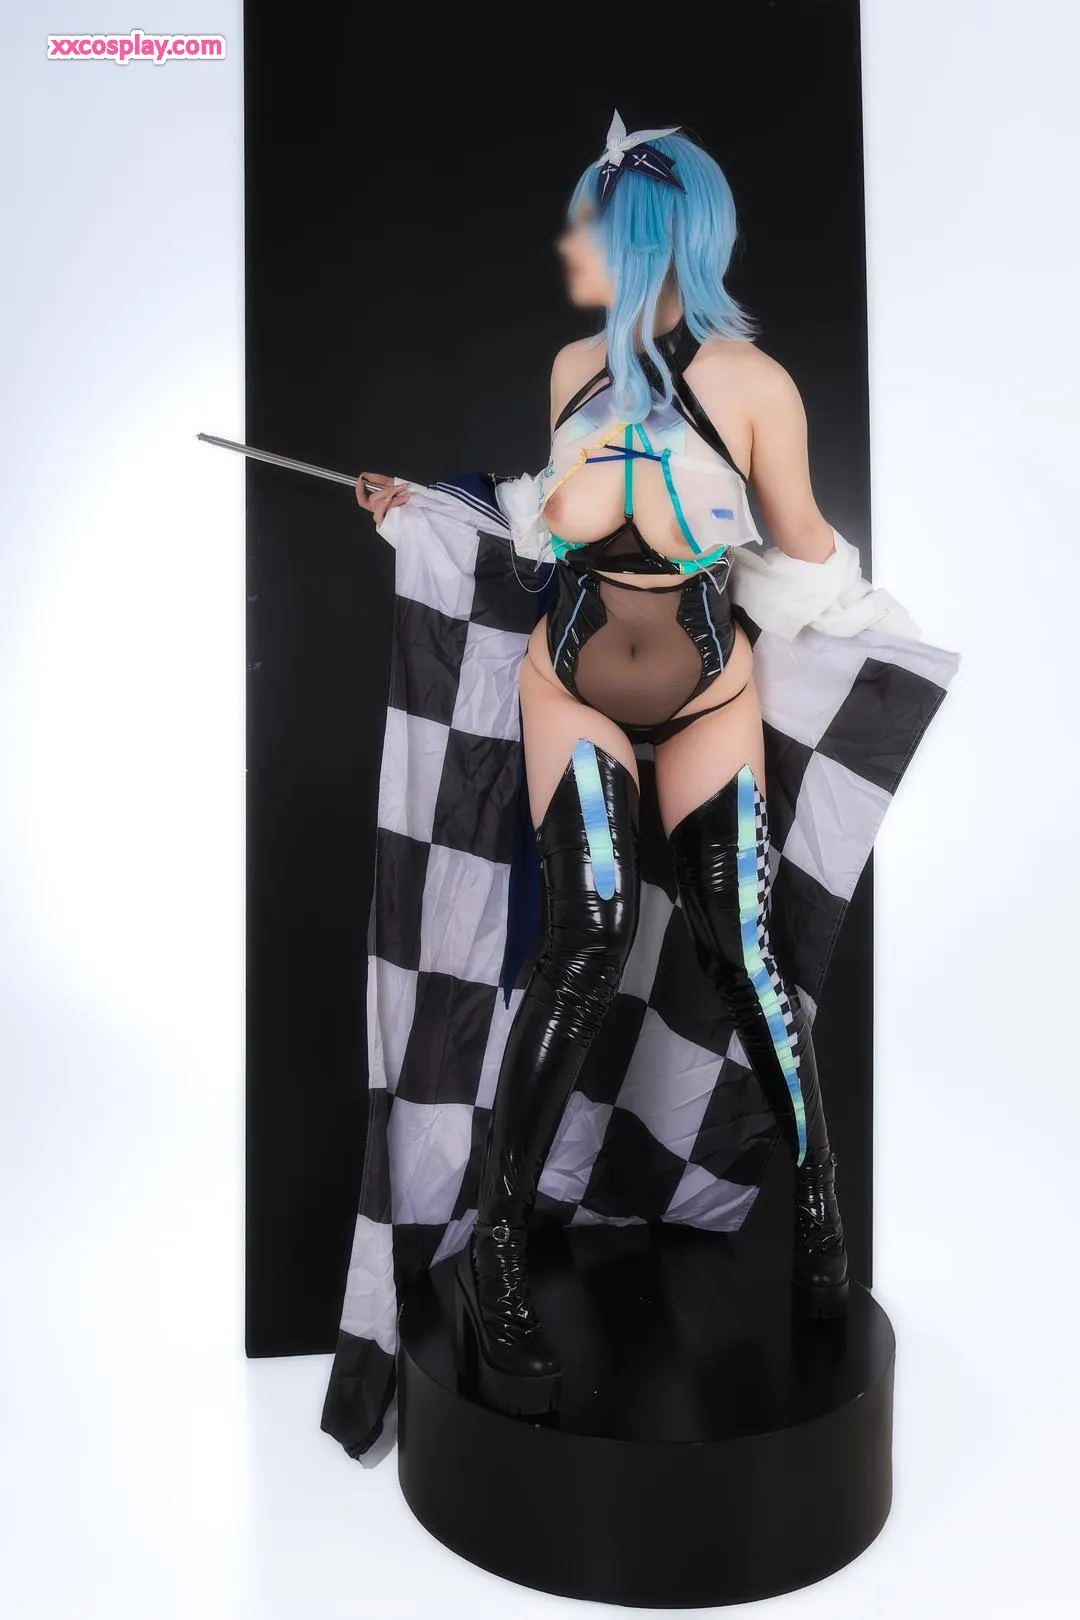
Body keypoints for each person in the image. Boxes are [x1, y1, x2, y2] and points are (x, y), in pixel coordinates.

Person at [354, 114, 867, 1421]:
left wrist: (879, 637)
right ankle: (501, 1251)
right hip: (570, 685)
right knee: (585, 939)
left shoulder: (756, 387)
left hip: (710, 697)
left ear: (646, 238)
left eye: (590, 221)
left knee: (741, 945)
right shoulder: (575, 368)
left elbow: (805, 552)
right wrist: (426, 509)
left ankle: (818, 1207)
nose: (571, 243)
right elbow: (545, 528)